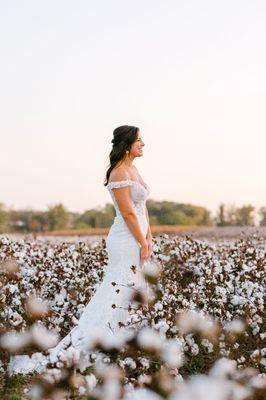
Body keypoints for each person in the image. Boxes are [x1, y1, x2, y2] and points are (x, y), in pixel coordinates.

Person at [8, 125, 153, 375]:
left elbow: (142, 208)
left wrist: (149, 237)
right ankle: (96, 341)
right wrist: (141, 241)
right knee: (120, 284)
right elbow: (128, 213)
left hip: (139, 237)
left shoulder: (135, 169)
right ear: (128, 144)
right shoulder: (118, 172)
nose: (144, 145)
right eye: (139, 141)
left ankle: (123, 339)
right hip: (125, 239)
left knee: (134, 285)